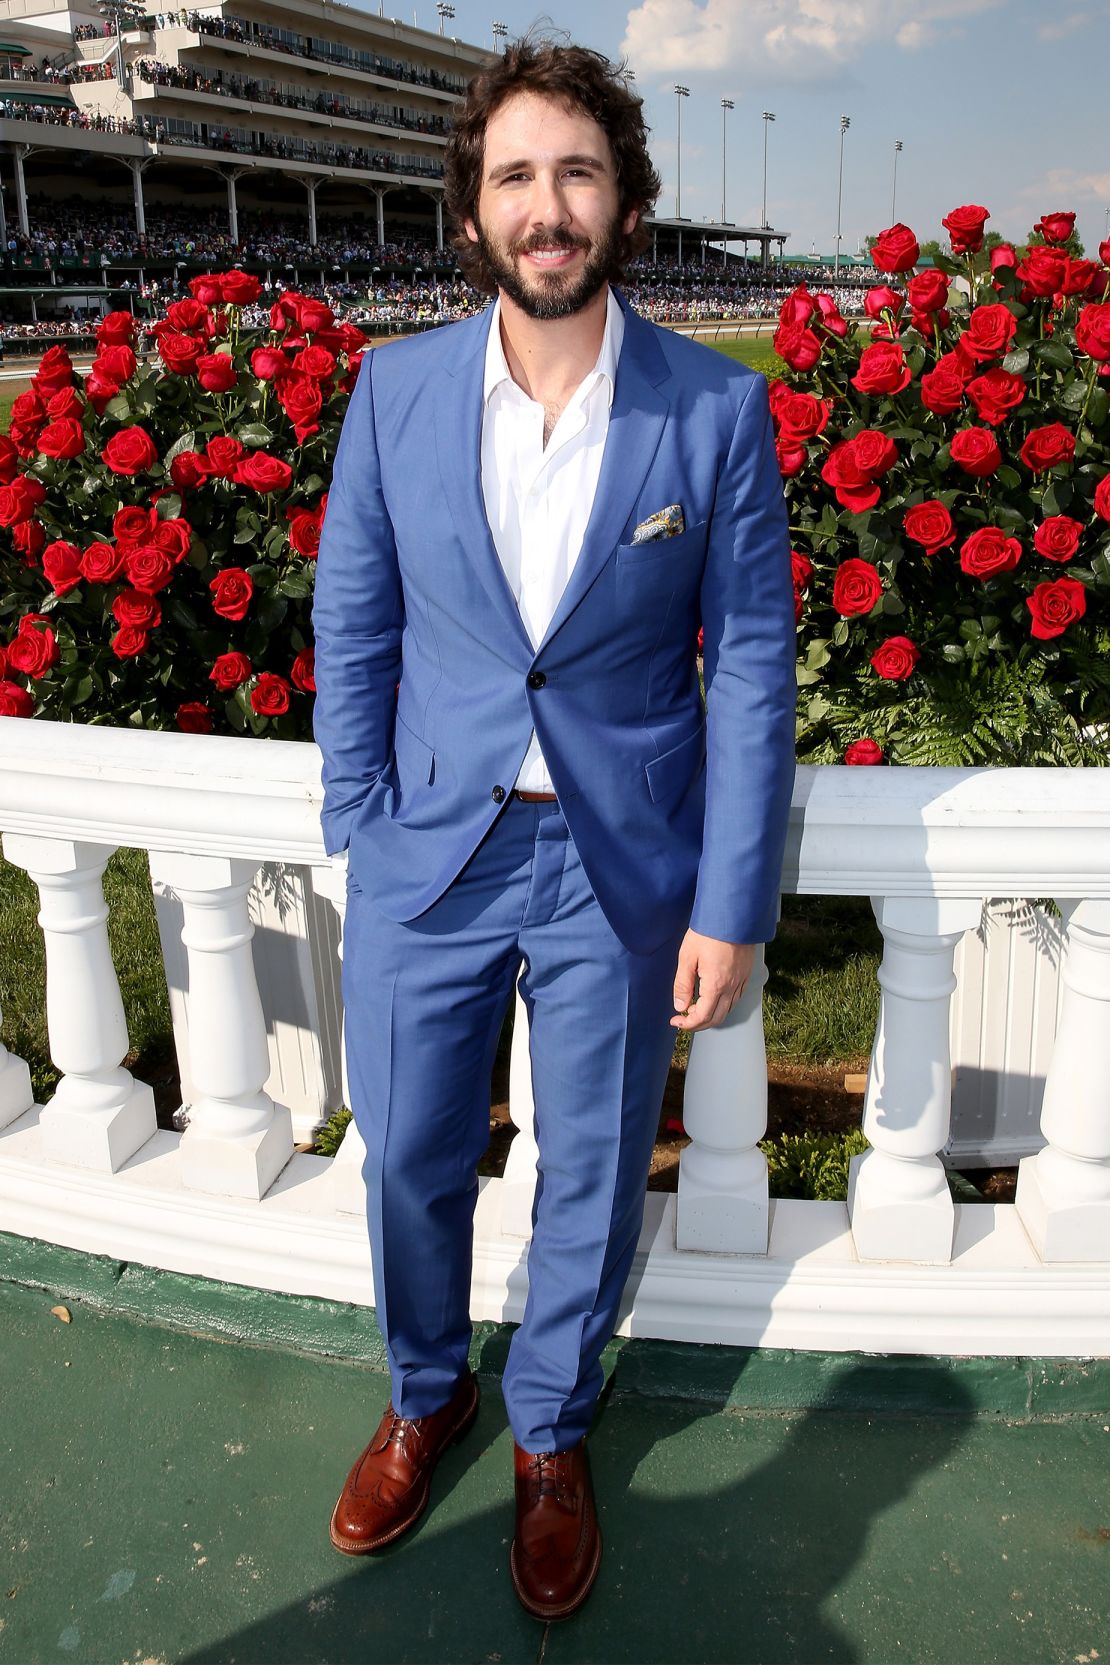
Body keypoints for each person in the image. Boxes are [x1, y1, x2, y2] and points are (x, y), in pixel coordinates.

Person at [312, 39, 796, 1621]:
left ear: (624, 206)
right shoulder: (390, 393)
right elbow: (357, 628)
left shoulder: (714, 413)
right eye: (514, 175)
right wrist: (357, 821)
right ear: (472, 212)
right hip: (429, 856)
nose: (546, 206)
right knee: (408, 1162)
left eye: (576, 173)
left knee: (586, 1171)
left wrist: (729, 902)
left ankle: (548, 1435)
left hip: (614, 868)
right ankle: (424, 1388)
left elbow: (748, 674)